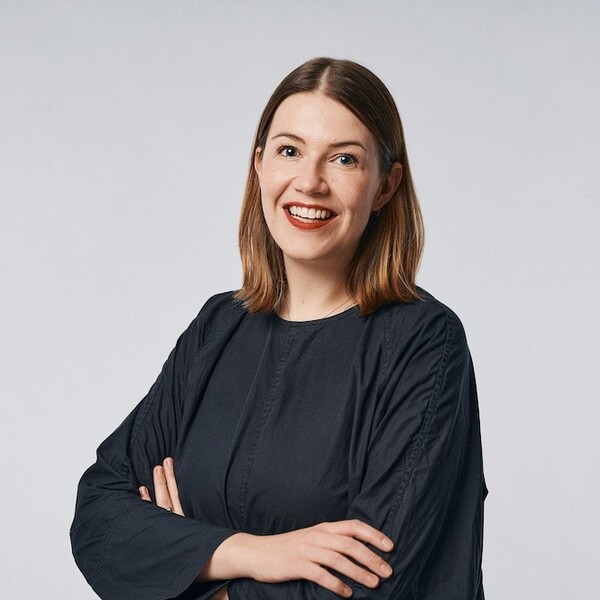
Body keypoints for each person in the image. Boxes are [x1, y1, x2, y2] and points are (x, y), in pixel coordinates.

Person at [71, 57, 487, 600]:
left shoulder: (425, 342)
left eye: (344, 159)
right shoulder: (217, 328)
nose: (309, 183)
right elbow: (100, 519)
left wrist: (182, 563)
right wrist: (251, 552)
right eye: (290, 151)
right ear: (259, 165)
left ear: (385, 186)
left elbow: (372, 583)